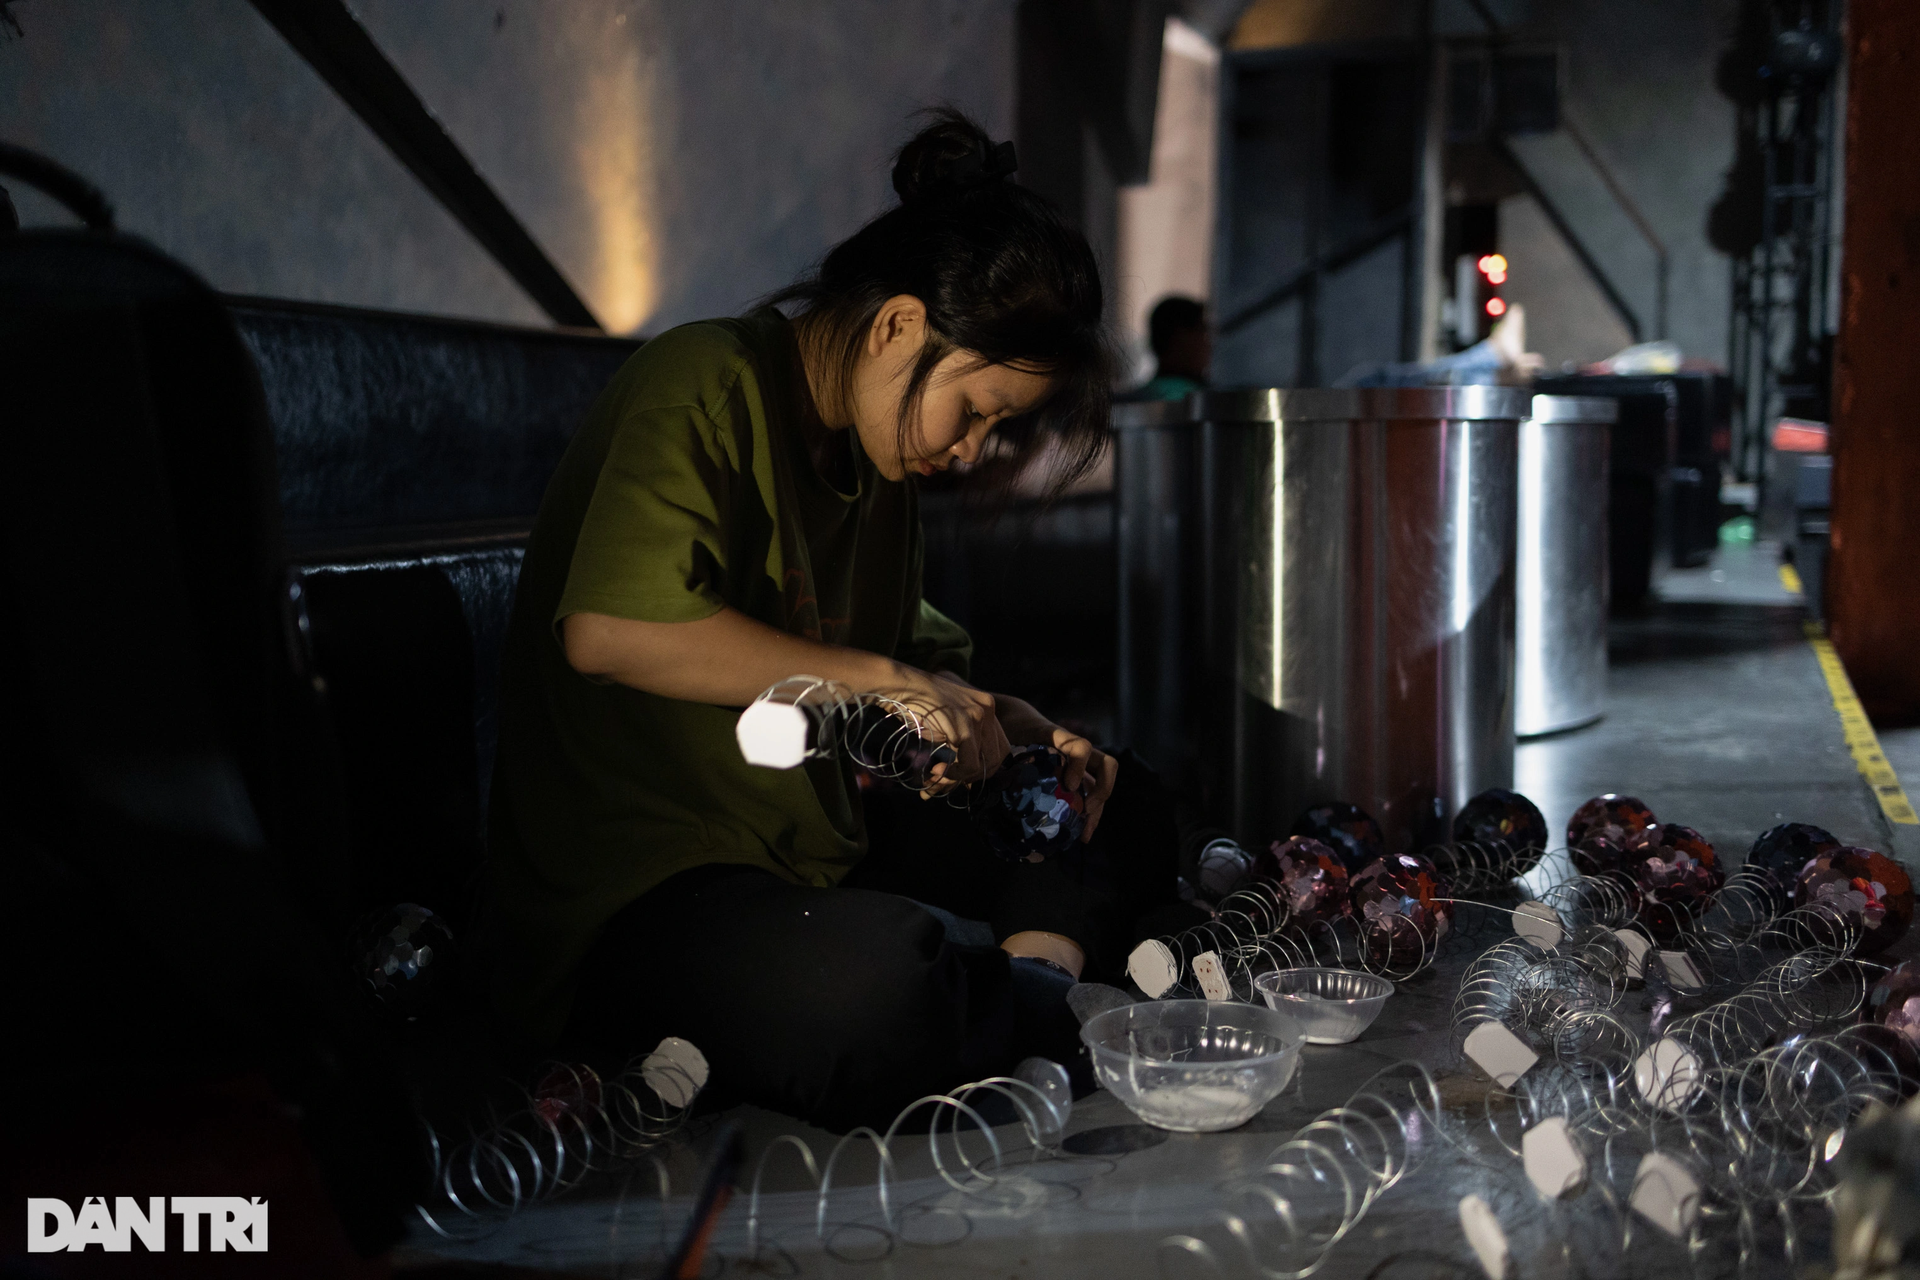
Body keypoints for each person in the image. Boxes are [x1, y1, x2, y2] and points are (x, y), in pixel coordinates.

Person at [479, 110, 1192, 1131]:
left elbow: (912, 657)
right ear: (898, 324)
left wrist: (1021, 730)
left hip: (810, 850)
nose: (975, 447)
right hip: (646, 897)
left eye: (998, 424)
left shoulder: (877, 457)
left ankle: (1033, 980)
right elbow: (608, 628)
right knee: (871, 990)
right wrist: (877, 680)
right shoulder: (703, 380)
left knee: (1118, 798)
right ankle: (1044, 987)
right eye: (978, 407)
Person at [1134, 295, 1212, 401]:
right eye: (1201, 332)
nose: (1208, 344)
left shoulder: (1142, 396)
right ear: (1180, 338)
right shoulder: (1192, 399)